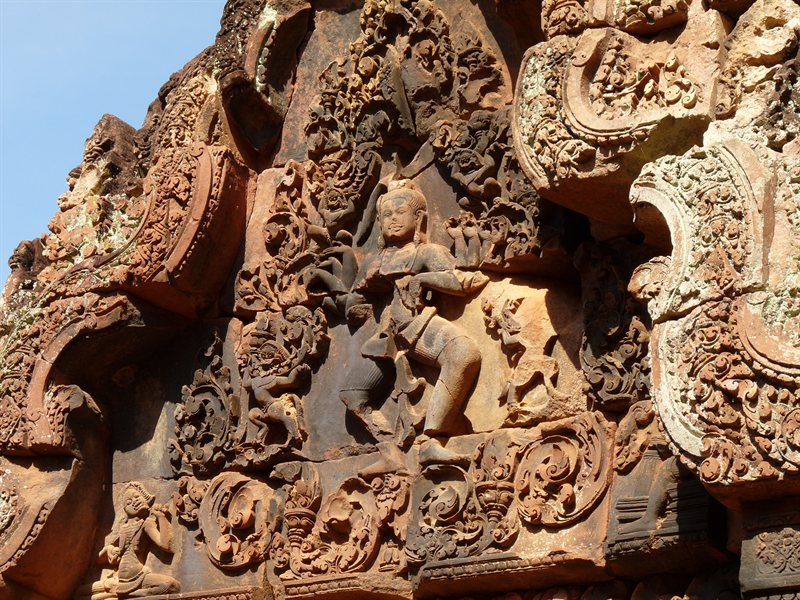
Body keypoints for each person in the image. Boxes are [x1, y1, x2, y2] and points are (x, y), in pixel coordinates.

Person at [337, 179, 488, 469]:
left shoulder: (426, 252)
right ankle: (390, 452)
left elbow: (465, 281)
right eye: (386, 216)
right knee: (352, 394)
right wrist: (353, 298)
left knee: (463, 354)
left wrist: (422, 278)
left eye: (399, 212)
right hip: (386, 338)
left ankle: (431, 441)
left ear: (418, 218)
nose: (392, 220)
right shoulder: (374, 259)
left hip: (417, 326)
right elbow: (355, 304)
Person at [88, 482, 179, 600]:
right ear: (125, 510)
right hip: (119, 577)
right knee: (83, 591)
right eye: (128, 503)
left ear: (145, 499)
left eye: (137, 497)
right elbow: (101, 559)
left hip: (139, 575)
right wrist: (109, 550)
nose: (134, 502)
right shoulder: (123, 528)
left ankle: (123, 595)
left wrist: (161, 517)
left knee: (171, 586)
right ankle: (119, 593)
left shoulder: (146, 524)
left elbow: (167, 546)